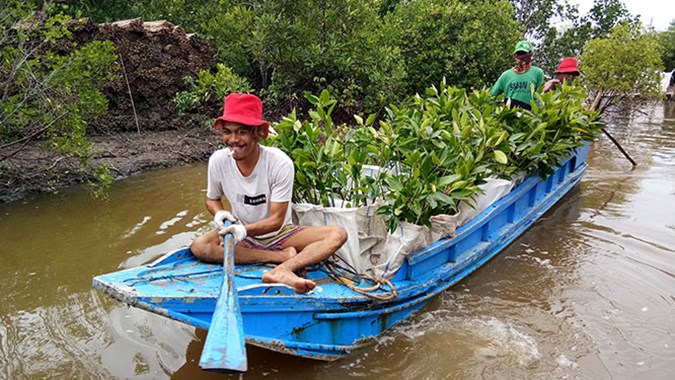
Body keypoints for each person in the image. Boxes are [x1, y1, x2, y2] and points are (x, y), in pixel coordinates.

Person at [190, 93, 348, 294]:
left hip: (280, 234)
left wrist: (244, 231)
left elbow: (276, 220)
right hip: (243, 236)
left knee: (337, 234)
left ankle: (284, 270)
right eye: (227, 132)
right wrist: (220, 214)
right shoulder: (218, 160)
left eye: (241, 132)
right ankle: (278, 257)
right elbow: (212, 199)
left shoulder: (279, 163)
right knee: (200, 246)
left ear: (258, 133)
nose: (233, 140)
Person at [490, 40, 545, 110]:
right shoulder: (506, 75)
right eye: (519, 53)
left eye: (524, 53)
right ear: (515, 55)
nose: (521, 56)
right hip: (510, 114)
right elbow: (491, 96)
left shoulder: (537, 73)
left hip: (529, 115)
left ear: (530, 54)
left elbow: (539, 95)